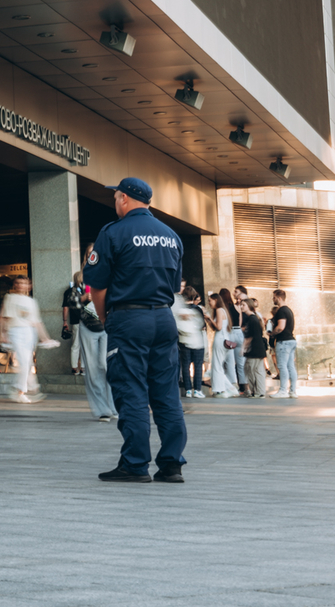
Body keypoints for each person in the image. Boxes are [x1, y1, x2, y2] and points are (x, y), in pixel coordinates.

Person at [83, 177, 187, 484]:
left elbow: (97, 286)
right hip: (164, 319)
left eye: (116, 197)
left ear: (125, 199)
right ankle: (171, 465)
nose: (115, 202)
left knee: (131, 390)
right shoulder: (171, 235)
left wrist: (106, 320)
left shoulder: (113, 232)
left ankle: (135, 463)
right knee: (167, 394)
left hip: (129, 319)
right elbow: (175, 285)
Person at [0, 275, 52, 402]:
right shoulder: (10, 298)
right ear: (15, 285)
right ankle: (20, 390)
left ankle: (29, 388)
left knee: (27, 362)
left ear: (29, 285)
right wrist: (2, 334)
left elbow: (37, 322)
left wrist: (45, 337)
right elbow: (4, 317)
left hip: (29, 332)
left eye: (24, 283)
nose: (21, 285)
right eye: (18, 283)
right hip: (15, 331)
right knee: (24, 360)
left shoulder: (32, 302)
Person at [72, 274, 116, 420]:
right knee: (92, 368)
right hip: (88, 327)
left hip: (107, 326)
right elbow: (71, 304)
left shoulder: (110, 278)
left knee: (106, 365)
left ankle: (113, 406)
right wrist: (83, 299)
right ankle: (103, 409)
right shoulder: (78, 287)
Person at [173, 289, 207, 399]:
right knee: (197, 366)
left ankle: (188, 390)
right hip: (196, 341)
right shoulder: (197, 309)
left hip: (183, 341)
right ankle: (197, 389)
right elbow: (202, 325)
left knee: (185, 365)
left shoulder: (180, 310)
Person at [269, 290, 297, 398]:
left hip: (284, 342)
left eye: (274, 297)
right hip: (291, 340)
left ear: (279, 298)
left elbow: (280, 327)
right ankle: (293, 391)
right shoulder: (289, 310)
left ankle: (283, 391)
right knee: (291, 366)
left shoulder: (281, 311)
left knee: (282, 366)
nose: (273, 299)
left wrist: (272, 333)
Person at [62, 272, 89, 374]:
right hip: (86, 321)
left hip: (75, 321)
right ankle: (82, 368)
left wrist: (65, 321)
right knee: (84, 345)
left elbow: (65, 308)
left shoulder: (68, 291)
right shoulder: (86, 291)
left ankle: (74, 368)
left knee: (75, 344)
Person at [242, 297, 269, 398]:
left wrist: (243, 348)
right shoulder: (254, 318)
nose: (241, 307)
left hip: (254, 350)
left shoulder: (251, 319)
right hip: (258, 349)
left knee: (252, 371)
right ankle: (259, 392)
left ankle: (257, 392)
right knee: (257, 371)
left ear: (249, 306)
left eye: (243, 305)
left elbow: (250, 336)